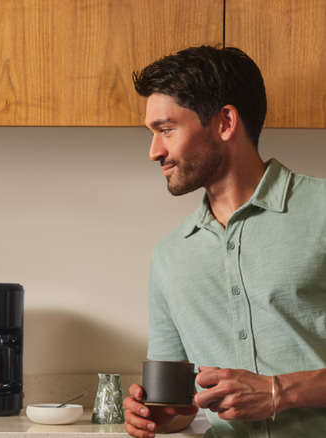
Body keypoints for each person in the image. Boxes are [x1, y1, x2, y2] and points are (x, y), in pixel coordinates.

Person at [123, 45, 326, 438]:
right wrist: (154, 415)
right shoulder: (169, 255)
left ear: (225, 122)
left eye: (166, 130)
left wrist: (277, 391)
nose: (154, 152)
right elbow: (180, 406)